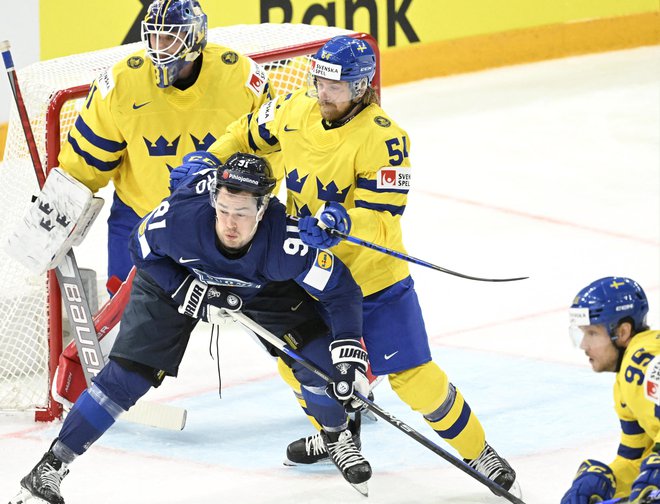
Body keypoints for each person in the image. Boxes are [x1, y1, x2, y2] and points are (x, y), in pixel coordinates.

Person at [193, 35, 519, 492]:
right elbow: (246, 132)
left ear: (362, 86)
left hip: (373, 283)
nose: (323, 93)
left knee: (415, 380)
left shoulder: (386, 137)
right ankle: (337, 435)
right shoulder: (293, 110)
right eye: (320, 81)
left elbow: (383, 214)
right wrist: (210, 158)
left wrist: (342, 221)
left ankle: (479, 452)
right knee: (297, 363)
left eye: (336, 86)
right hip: (307, 277)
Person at [9, 152, 372, 504]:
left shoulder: (286, 242)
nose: (230, 223)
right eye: (224, 209)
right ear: (214, 198)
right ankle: (50, 467)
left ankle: (336, 437)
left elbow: (341, 291)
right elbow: (139, 244)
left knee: (320, 363)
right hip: (178, 276)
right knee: (126, 377)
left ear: (262, 210)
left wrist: (347, 351)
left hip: (260, 285)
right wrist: (182, 288)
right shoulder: (181, 219)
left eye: (242, 214)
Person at [58, 0, 275, 286]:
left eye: (170, 38)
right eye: (154, 36)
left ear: (194, 38)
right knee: (129, 319)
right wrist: (58, 207)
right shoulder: (121, 83)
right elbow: (85, 161)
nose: (159, 47)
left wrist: (245, 207)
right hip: (139, 217)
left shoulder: (241, 79)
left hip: (219, 223)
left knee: (235, 318)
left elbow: (272, 153)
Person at [562, 277, 660, 504]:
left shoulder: (642, 363)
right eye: (582, 333)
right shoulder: (626, 383)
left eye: (593, 333)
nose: (584, 345)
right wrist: (609, 481)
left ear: (623, 332)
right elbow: (635, 459)